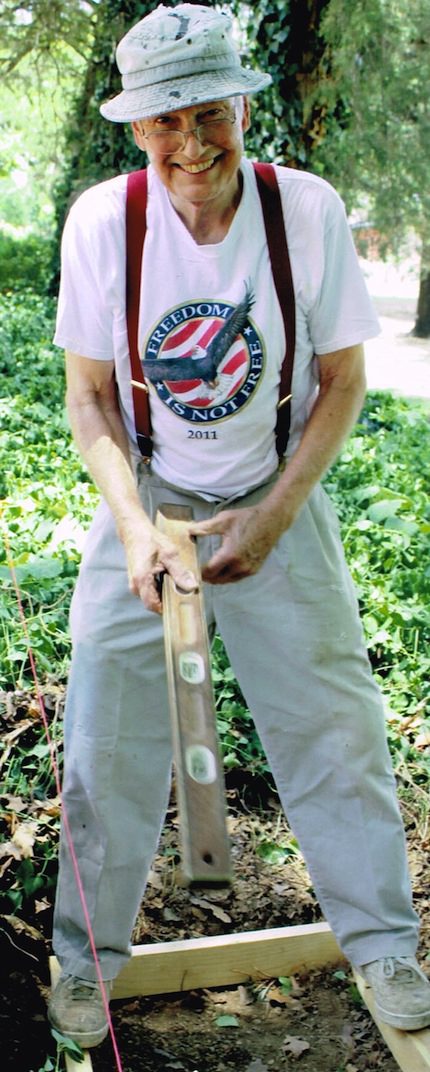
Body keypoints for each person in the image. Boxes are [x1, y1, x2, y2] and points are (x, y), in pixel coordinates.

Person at [48, 2, 430, 1049]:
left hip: (274, 490)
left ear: (242, 106)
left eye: (210, 114)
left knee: (336, 728)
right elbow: (88, 397)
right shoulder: (101, 222)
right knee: (106, 742)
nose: (193, 145)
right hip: (152, 504)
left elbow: (344, 381)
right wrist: (133, 525)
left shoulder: (300, 210)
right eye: (166, 124)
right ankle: (85, 965)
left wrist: (272, 514)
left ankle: (382, 943)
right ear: (135, 127)